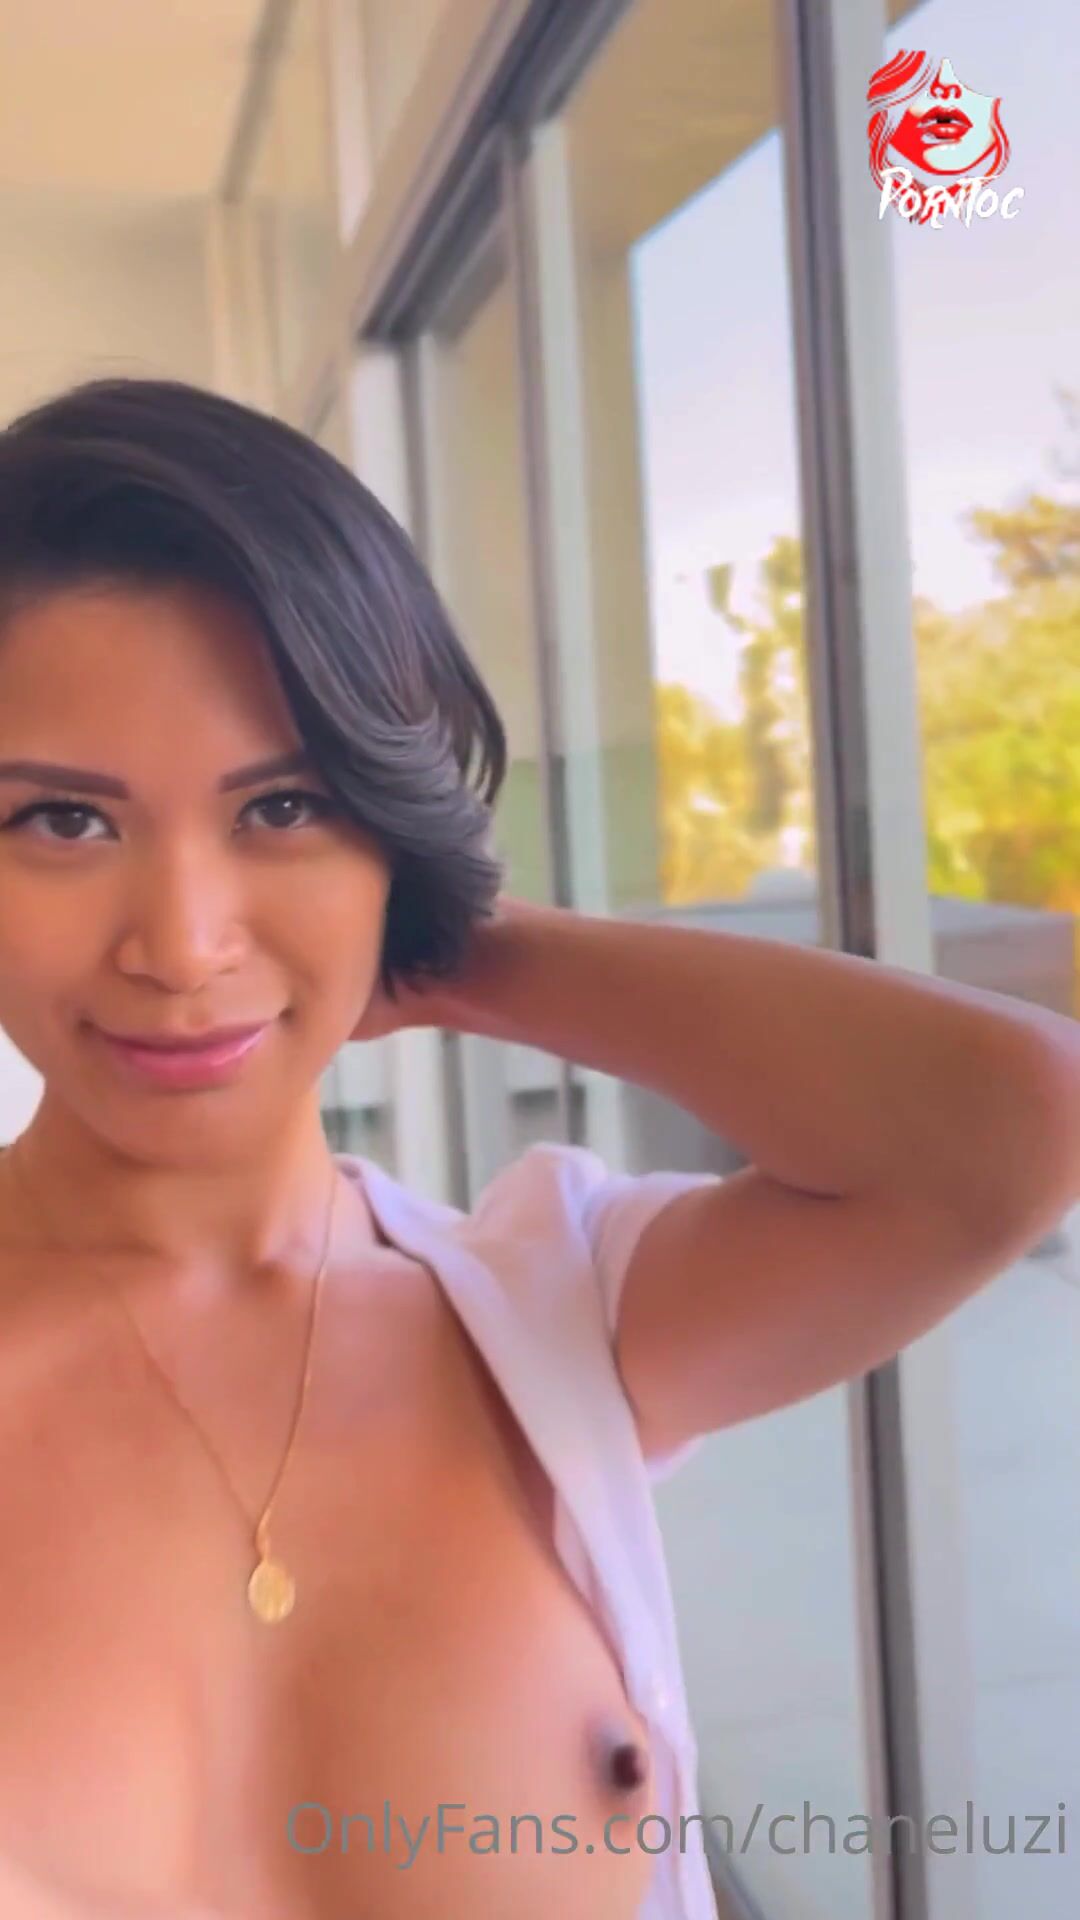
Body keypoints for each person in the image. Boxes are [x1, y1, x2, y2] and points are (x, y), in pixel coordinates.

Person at [0, 377, 1077, 1920]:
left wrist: (447, 945)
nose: (181, 945)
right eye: (63, 822)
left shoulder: (554, 1318)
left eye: (285, 805)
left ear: (391, 817)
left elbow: (1013, 1126)